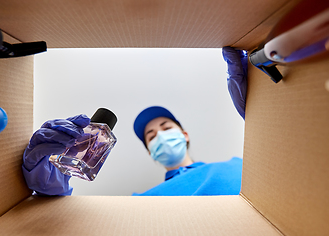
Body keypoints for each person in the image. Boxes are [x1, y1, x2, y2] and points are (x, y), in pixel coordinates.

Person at [22, 46, 248, 196]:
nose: (159, 135)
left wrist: (256, 113)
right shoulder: (141, 201)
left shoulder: (239, 166)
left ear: (184, 135)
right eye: (151, 136)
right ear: (151, 151)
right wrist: (51, 189)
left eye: (166, 127)